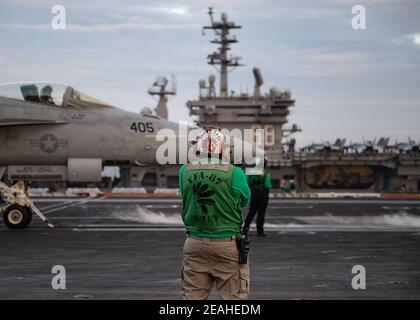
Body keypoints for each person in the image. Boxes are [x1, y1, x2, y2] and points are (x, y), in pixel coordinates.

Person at [179, 128, 251, 300]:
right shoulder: (234, 172)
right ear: (222, 149)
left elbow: (185, 196)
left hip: (194, 243)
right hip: (226, 245)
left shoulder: (184, 170)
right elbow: (244, 200)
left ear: (199, 148)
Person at [244, 159, 271, 237]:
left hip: (254, 193)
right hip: (263, 194)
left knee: (251, 212)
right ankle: (260, 231)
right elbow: (268, 185)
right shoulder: (265, 174)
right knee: (261, 213)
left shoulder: (251, 173)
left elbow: (248, 183)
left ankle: (245, 229)